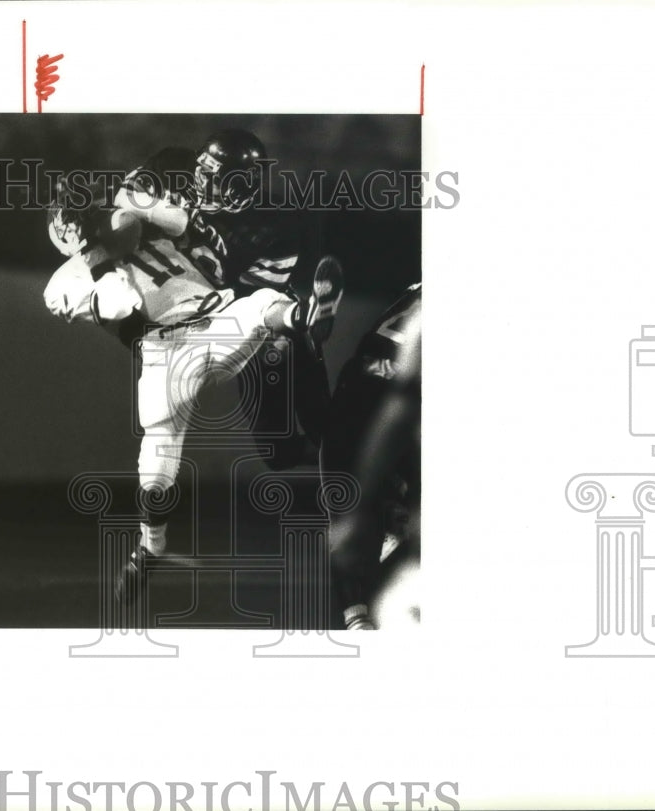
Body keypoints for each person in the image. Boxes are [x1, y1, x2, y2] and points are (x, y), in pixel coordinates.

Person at [42, 179, 344, 606]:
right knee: (157, 470)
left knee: (261, 303)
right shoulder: (61, 284)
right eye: (82, 215)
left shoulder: (138, 225)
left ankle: (305, 318)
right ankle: (152, 546)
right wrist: (95, 254)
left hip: (216, 316)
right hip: (164, 350)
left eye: (91, 209)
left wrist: (134, 206)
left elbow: (180, 219)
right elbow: (118, 305)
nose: (93, 215)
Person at [114, 129, 335, 466]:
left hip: (256, 316)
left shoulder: (275, 225)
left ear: (241, 186)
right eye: (200, 169)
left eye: (212, 177)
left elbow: (251, 300)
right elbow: (124, 194)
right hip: (202, 306)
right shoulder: (173, 164)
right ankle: (348, 460)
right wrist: (170, 217)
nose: (198, 180)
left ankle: (303, 319)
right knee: (279, 455)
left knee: (322, 423)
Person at [320, 283, 421, 630]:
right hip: (389, 391)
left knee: (349, 516)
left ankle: (357, 617)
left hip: (358, 385)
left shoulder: (414, 293)